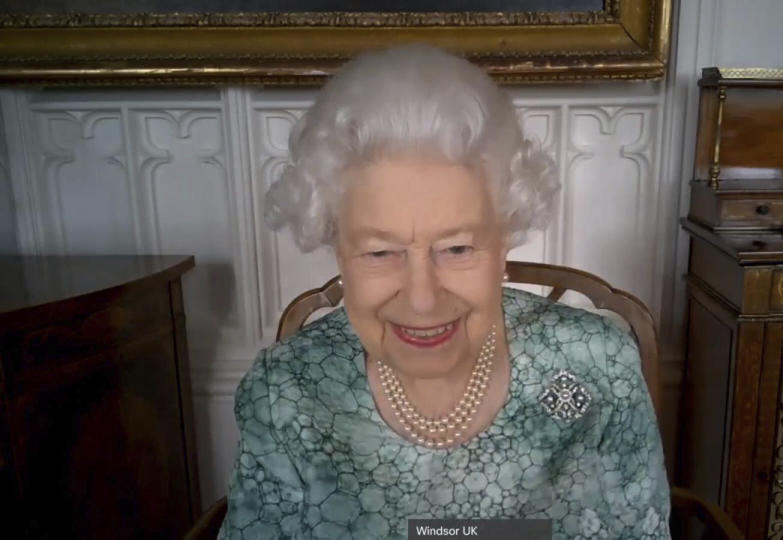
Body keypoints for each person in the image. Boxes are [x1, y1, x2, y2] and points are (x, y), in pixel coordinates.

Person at [218, 44, 670, 539]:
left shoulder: (596, 367)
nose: (422, 299)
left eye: (456, 248)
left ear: (504, 243)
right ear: (338, 251)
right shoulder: (286, 394)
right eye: (379, 253)